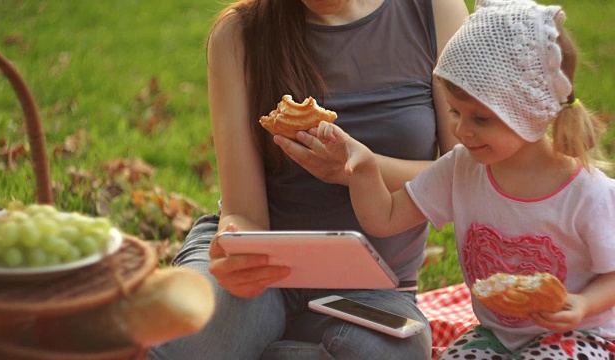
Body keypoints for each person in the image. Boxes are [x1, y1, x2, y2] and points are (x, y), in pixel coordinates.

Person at [148, 0, 468, 359]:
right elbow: (244, 213)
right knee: (188, 339)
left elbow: (471, 175)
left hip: (373, 290)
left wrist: (356, 169)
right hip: (264, 273)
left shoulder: (432, 12)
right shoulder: (239, 34)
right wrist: (233, 244)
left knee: (393, 351)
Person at [312, 0, 615, 358]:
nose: (460, 130)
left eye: (481, 118)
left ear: (530, 112)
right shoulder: (462, 167)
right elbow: (385, 218)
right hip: (497, 333)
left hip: (582, 333)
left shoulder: (587, 193)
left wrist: (581, 304)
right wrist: (362, 169)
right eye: (455, 112)